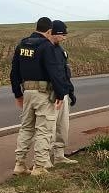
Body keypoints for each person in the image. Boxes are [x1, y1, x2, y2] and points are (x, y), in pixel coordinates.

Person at [10, 17, 71, 176]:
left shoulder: (22, 45)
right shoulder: (46, 47)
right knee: (44, 130)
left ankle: (19, 164)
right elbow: (54, 72)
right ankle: (39, 166)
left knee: (26, 128)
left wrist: (18, 94)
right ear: (49, 31)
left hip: (27, 92)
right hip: (43, 94)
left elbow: (14, 72)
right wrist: (60, 93)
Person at [48, 20, 78, 165]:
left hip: (63, 93)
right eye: (63, 34)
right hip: (52, 95)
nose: (65, 37)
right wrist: (59, 93)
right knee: (49, 127)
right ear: (55, 33)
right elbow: (52, 74)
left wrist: (69, 91)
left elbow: (65, 73)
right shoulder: (47, 50)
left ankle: (59, 155)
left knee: (62, 127)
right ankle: (45, 158)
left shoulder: (61, 51)